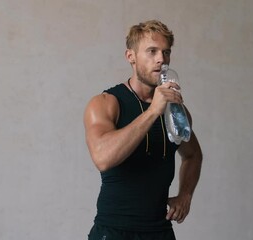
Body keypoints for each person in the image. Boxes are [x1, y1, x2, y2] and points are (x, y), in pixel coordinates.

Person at [84, 20, 203, 240]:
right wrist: (152, 112)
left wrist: (185, 194)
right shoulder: (106, 103)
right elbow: (102, 158)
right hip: (113, 231)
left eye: (166, 52)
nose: (161, 59)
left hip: (160, 231)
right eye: (152, 51)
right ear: (131, 56)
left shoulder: (175, 109)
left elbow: (193, 154)